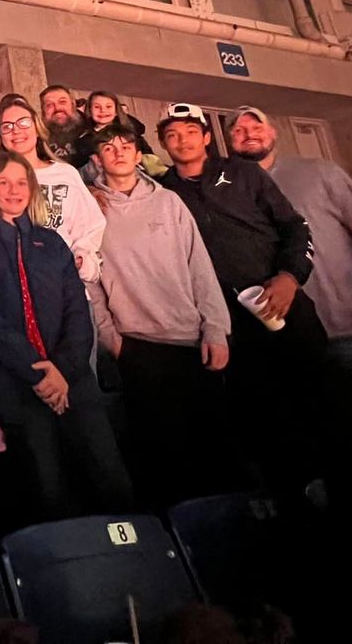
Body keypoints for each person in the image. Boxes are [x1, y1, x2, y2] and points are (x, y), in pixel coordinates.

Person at [0, 150, 133, 526]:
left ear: (32, 190)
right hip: (20, 385)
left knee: (112, 479)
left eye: (21, 183)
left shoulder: (52, 244)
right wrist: (38, 372)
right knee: (48, 491)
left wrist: (61, 371)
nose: (13, 190)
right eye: (4, 182)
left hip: (72, 381)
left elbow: (78, 314)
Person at [157, 102, 327, 494]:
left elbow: (294, 226)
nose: (181, 140)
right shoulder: (163, 191)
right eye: (171, 135)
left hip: (286, 308)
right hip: (228, 325)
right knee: (257, 417)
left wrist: (290, 277)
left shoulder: (244, 173)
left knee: (317, 400)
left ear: (204, 136)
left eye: (188, 132)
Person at [89, 122, 233, 505]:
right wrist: (112, 340)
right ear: (97, 160)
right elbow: (90, 282)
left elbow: (199, 266)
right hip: (137, 349)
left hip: (192, 344)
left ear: (139, 156)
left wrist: (216, 330)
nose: (118, 152)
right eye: (108, 147)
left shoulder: (170, 202)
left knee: (214, 456)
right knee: (160, 463)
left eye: (126, 146)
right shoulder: (92, 210)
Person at [228, 105, 352, 338]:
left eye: (256, 127)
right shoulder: (226, 189)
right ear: (229, 139)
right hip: (282, 332)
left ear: (273, 132)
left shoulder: (322, 171)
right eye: (240, 130)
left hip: (350, 321)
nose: (250, 134)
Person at [0, 93, 105, 295]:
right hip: (11, 292)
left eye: (23, 122)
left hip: (66, 290)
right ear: (0, 135)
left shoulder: (65, 173)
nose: (16, 131)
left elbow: (90, 229)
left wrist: (81, 261)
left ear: (37, 127)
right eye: (7, 126)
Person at [38, 84, 85, 164]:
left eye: (62, 102)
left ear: (73, 105)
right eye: (49, 105)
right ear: (43, 112)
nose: (57, 108)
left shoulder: (91, 129)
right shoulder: (37, 140)